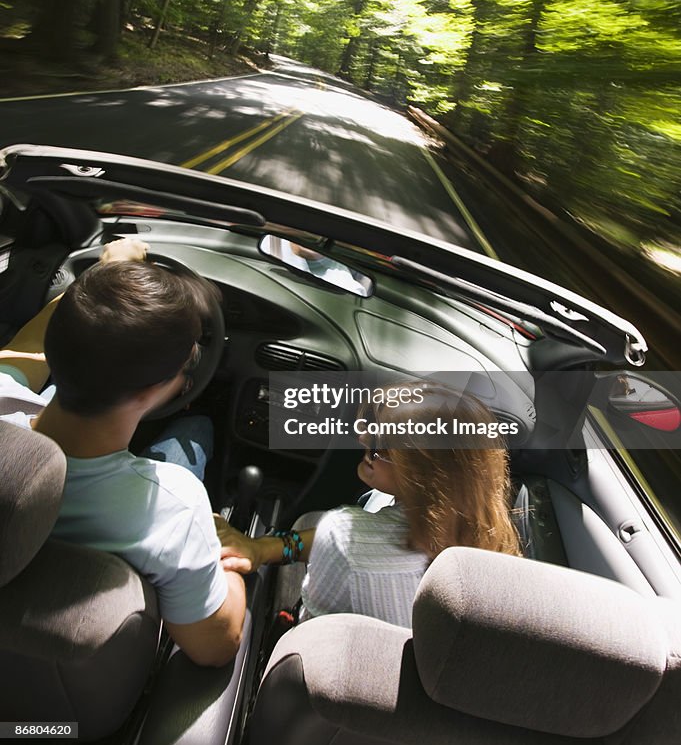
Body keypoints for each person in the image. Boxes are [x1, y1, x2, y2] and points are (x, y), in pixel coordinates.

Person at [0, 238, 245, 668]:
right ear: (156, 390)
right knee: (196, 428)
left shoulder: (5, 393)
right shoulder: (175, 509)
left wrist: (95, 283)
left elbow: (22, 356)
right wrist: (234, 563)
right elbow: (219, 645)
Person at [218, 384, 522, 628]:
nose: (362, 438)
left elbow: (312, 627)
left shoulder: (343, 535)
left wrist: (259, 548)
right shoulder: (493, 533)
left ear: (421, 474)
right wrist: (267, 548)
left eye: (381, 443)